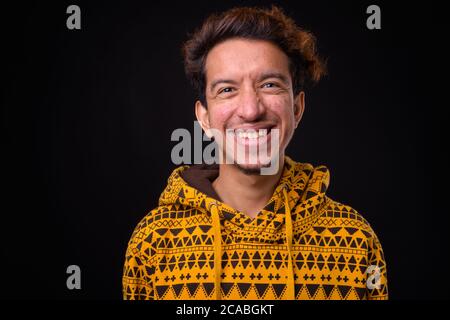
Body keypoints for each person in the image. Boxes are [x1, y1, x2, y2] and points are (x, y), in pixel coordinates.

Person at [122, 5, 388, 300]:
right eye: (227, 90)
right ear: (204, 118)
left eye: (270, 84)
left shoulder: (356, 241)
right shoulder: (153, 242)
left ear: (297, 108)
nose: (250, 110)